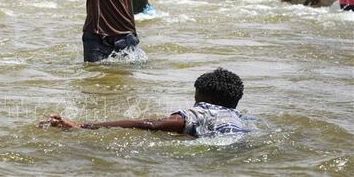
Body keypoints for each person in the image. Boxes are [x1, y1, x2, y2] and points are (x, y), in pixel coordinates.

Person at [41, 68, 248, 138]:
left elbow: (150, 125)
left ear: (201, 99)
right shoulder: (241, 119)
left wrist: (81, 126)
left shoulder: (201, 113)